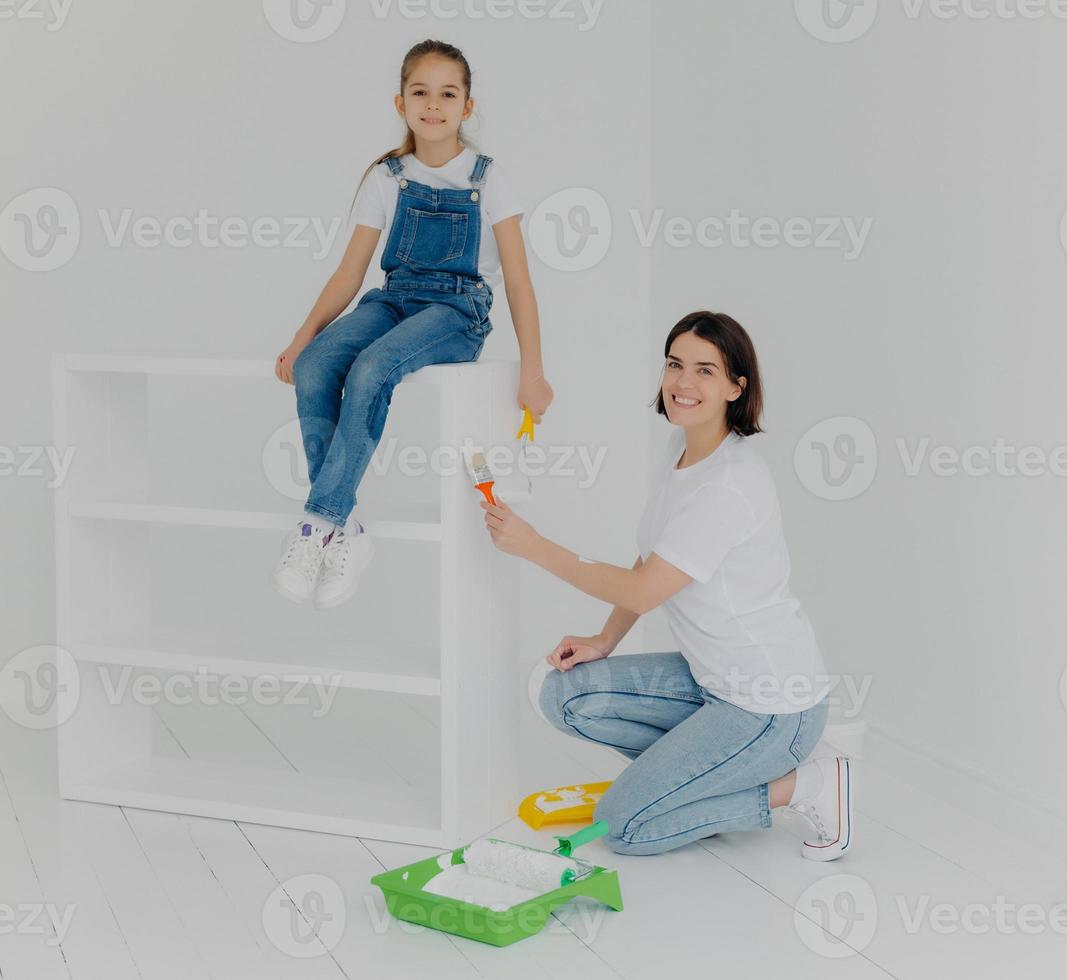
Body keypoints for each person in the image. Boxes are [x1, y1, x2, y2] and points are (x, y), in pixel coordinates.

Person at [481, 311, 852, 859]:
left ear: (735, 387)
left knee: (623, 827)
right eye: (676, 364)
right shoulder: (683, 452)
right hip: (711, 685)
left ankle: (808, 785)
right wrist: (604, 641)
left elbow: (642, 590)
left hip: (770, 707)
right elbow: (651, 558)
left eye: (706, 370)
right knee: (565, 693)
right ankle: (695, 786)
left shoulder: (728, 485)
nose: (683, 382)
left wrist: (532, 545)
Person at [271, 38, 553, 609]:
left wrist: (534, 370)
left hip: (457, 310)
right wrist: (302, 340)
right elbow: (351, 272)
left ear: (466, 106)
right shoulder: (387, 176)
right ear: (399, 103)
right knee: (320, 365)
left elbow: (520, 282)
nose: (433, 104)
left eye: (448, 94)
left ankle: (316, 524)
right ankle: (344, 526)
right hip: (394, 299)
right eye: (420, 92)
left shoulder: (488, 178)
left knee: (374, 369)